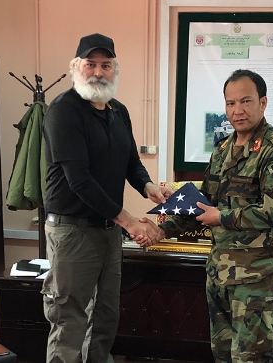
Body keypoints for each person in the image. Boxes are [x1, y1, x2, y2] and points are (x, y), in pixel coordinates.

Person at [152, 69, 273, 363]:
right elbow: (204, 205)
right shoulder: (222, 150)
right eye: (231, 103)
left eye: (246, 101)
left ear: (263, 102)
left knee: (251, 358)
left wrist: (223, 217)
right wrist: (161, 228)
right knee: (222, 355)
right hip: (220, 272)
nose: (238, 110)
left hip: (258, 276)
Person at [41, 33, 171, 363]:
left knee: (105, 317)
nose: (98, 72)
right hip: (72, 233)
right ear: (75, 67)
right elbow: (80, 181)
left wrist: (149, 187)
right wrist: (129, 222)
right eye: (91, 64)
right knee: (69, 321)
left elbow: (131, 162)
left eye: (106, 65)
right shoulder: (63, 111)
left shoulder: (119, 112)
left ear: (115, 70)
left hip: (108, 231)